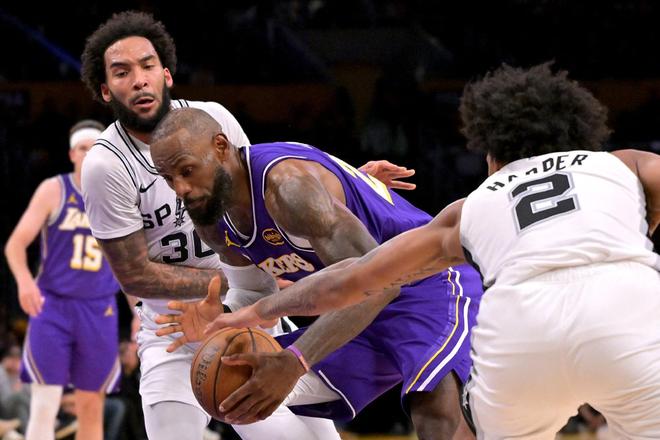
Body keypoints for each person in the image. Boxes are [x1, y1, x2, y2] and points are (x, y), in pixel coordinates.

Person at [204, 63, 660, 439]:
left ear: (491, 155)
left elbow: (359, 278)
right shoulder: (619, 164)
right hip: (625, 318)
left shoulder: (473, 205)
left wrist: (261, 308)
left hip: (523, 335)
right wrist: (640, 222)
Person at [79, 10, 414, 440]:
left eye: (147, 66)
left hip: (252, 313)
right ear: (106, 90)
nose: (139, 80)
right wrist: (229, 286)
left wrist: (347, 180)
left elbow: (260, 186)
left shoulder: (212, 119)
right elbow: (134, 273)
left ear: (167, 74)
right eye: (122, 72)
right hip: (175, 329)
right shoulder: (105, 165)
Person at [149, 107, 483, 439]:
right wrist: (224, 316)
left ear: (221, 147)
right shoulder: (211, 217)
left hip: (427, 284)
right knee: (240, 383)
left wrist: (295, 361)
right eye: (169, 179)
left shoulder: (288, 188)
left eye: (187, 171)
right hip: (355, 307)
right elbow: (254, 293)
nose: (180, 189)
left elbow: (378, 285)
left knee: (437, 418)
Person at [4, 120, 121, 440]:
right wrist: (24, 282)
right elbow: (15, 244)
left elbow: (132, 263)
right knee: (45, 402)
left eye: (95, 149)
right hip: (52, 305)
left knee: (91, 406)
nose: (89, 154)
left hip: (99, 308)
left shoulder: (119, 196)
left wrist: (139, 309)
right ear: (72, 154)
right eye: (82, 148)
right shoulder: (54, 189)